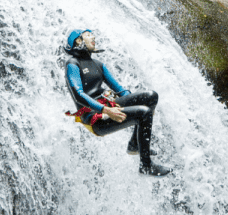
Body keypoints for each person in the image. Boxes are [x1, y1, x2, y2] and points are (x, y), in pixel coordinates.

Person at [63, 29, 171, 176]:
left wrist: (135, 102)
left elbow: (121, 90)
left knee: (151, 96)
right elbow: (79, 95)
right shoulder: (72, 64)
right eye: (88, 34)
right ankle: (146, 166)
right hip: (94, 117)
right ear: (78, 41)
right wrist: (106, 110)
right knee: (144, 113)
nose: (93, 36)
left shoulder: (98, 64)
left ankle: (134, 144)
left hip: (108, 107)